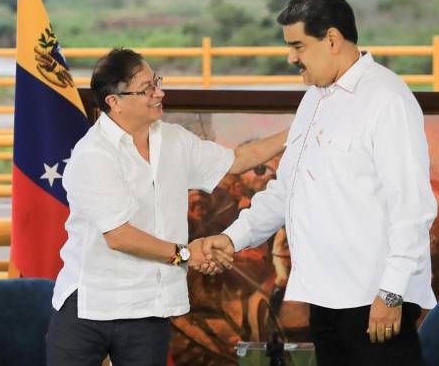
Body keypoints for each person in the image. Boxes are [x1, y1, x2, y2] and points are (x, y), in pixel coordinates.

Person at [201, 0, 437, 366]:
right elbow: (285, 192)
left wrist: (391, 294)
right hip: (325, 297)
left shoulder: (387, 99)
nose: (291, 57)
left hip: (373, 299)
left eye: (298, 46)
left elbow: (413, 207)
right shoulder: (313, 99)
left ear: (332, 39)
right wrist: (232, 238)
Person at [46, 48, 288, 366]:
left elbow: (239, 160)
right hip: (91, 305)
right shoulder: (94, 154)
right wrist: (187, 254)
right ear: (114, 101)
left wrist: (298, 132)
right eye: (147, 88)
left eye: (156, 82)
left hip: (149, 306)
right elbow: (119, 236)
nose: (159, 92)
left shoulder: (174, 140)